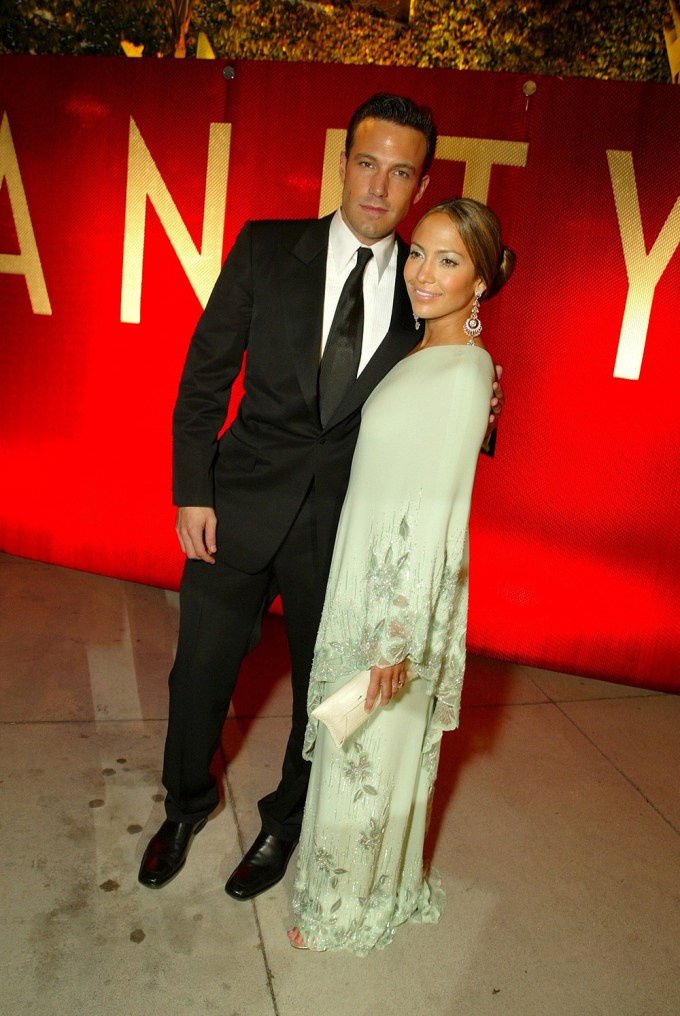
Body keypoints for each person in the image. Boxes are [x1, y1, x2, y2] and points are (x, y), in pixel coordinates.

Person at [138, 95, 504, 898]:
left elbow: (445, 399)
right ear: (343, 161)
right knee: (197, 671)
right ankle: (186, 804)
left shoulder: (422, 289)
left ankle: (286, 821)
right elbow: (205, 375)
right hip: (233, 508)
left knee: (319, 693)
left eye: (400, 172)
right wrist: (192, 488)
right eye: (367, 164)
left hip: (342, 535)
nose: (379, 187)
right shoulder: (267, 250)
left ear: (421, 182)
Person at [288, 197, 515, 954]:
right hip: (366, 578)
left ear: (480, 281)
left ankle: (347, 909)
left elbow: (436, 509)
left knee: (367, 757)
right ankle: (348, 890)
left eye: (449, 260)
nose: (422, 271)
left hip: (394, 601)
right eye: (418, 252)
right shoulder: (420, 350)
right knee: (352, 746)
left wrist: (394, 636)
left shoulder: (464, 370)